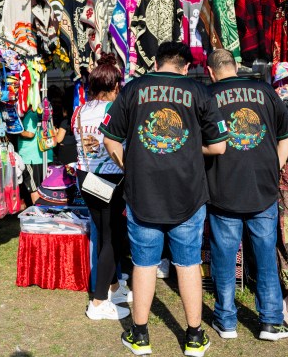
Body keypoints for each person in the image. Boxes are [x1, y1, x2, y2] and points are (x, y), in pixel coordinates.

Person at [101, 41, 228, 357]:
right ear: (186, 66)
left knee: (143, 263)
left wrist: (127, 165)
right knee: (188, 263)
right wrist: (187, 148)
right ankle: (194, 337)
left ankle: (140, 336)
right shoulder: (200, 92)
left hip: (142, 192)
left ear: (155, 63)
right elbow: (220, 146)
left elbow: (110, 138)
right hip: (188, 193)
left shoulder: (133, 88)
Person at [204, 48, 288, 341]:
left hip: (223, 188)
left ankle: (226, 321)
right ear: (235, 66)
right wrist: (276, 165)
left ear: (210, 71)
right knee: (266, 255)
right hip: (262, 187)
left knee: (224, 257)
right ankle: (270, 322)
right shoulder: (265, 91)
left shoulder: (206, 96)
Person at [75, 53, 132, 321]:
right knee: (112, 238)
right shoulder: (114, 110)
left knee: (106, 234)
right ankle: (98, 303)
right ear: (114, 85)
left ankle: (114, 287)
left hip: (85, 177)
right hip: (110, 179)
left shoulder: (80, 110)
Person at [17, 110, 53, 205]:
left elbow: (29, 134)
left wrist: (15, 130)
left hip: (31, 157)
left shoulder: (30, 115)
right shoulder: (42, 113)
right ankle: (43, 211)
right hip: (43, 156)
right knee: (43, 188)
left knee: (33, 189)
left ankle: (39, 213)